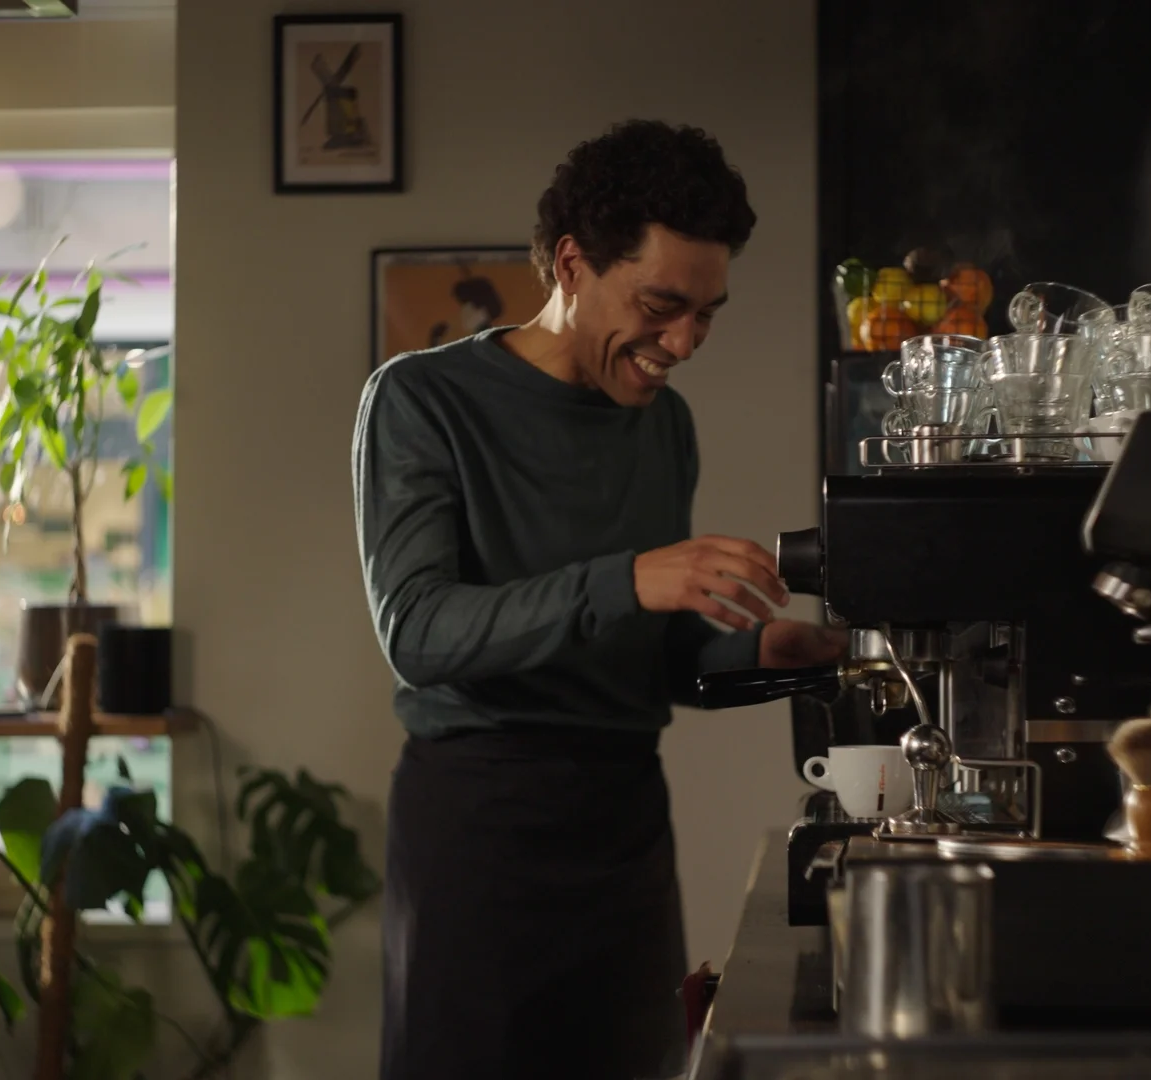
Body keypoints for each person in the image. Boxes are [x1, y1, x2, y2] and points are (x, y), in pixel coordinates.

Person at [351, 120, 845, 1080]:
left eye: (706, 314)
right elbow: (417, 631)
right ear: (572, 265)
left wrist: (762, 656)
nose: (684, 343)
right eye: (662, 306)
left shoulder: (666, 426)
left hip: (624, 826)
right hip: (479, 827)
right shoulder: (420, 400)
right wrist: (626, 577)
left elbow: (653, 658)